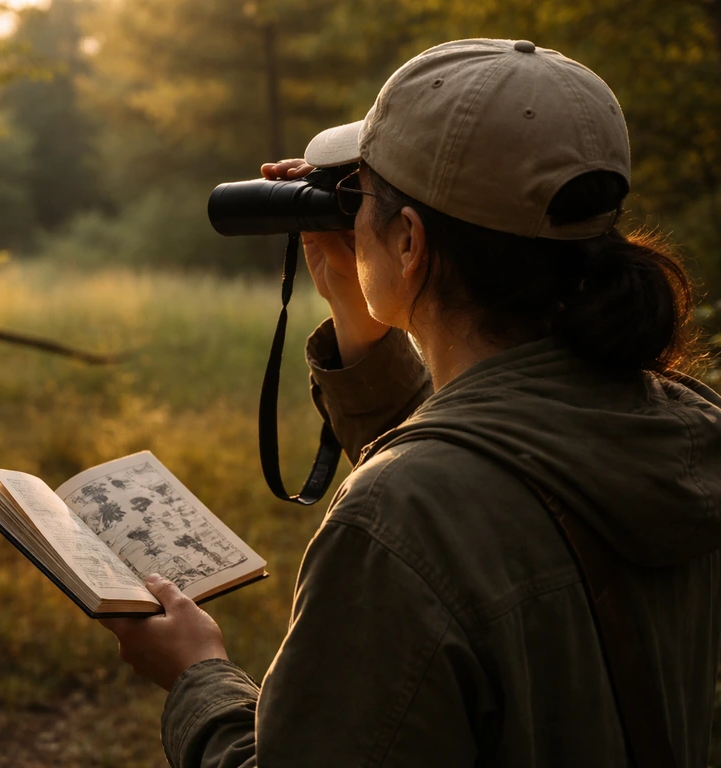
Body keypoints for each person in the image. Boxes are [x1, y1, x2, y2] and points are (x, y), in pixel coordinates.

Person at [101, 38, 721, 767]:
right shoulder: (678, 426)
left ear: (408, 241)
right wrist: (354, 310)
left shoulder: (394, 518)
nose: (347, 211)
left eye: (361, 193)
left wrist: (195, 677)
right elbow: (493, 480)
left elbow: (443, 512)